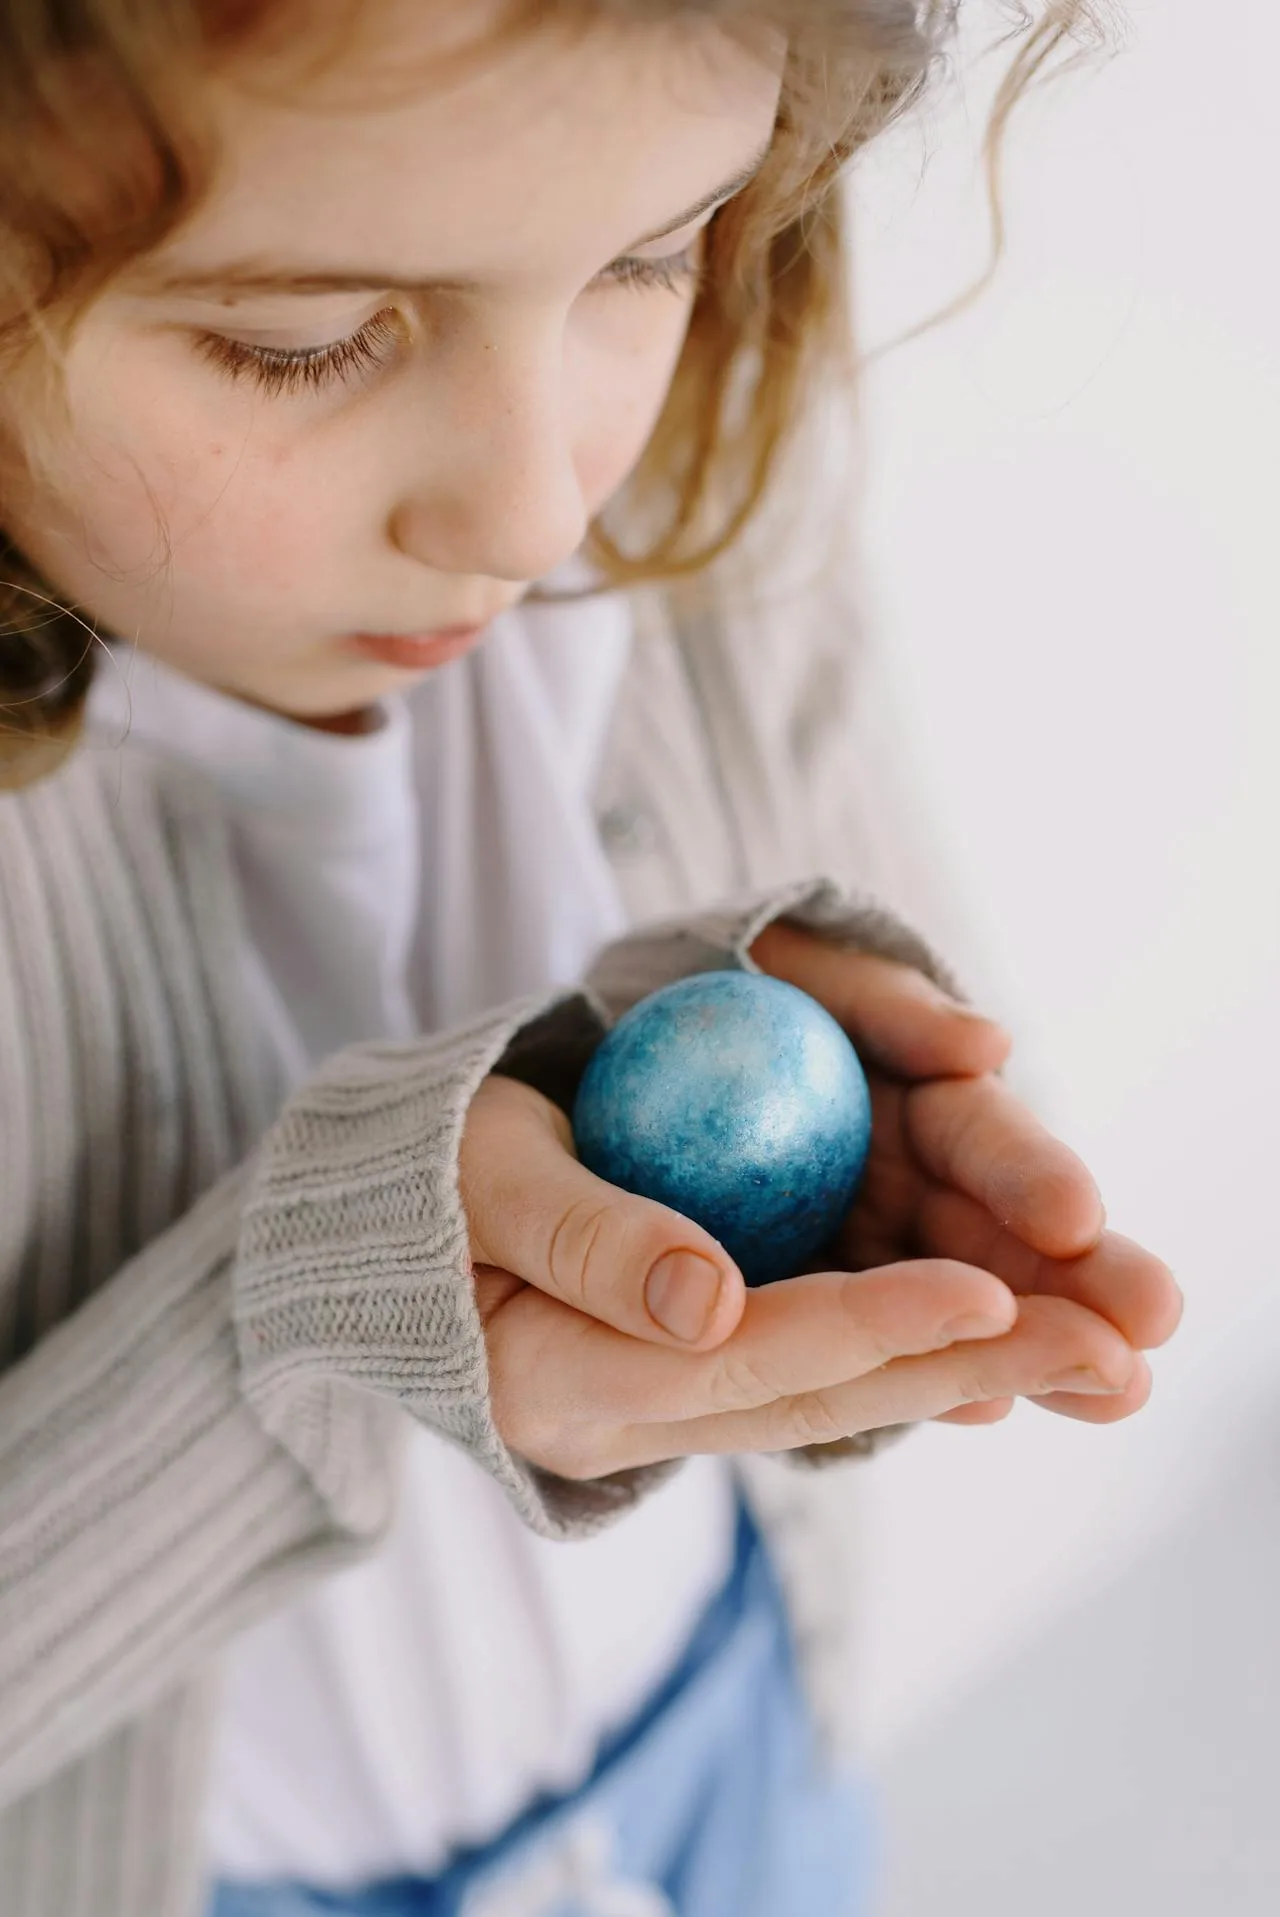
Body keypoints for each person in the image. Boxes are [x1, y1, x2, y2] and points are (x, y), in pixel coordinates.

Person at [0, 2, 1182, 1914]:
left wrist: (825, 1065)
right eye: (299, 341)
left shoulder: (706, 491)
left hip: (723, 1735)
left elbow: (897, 1055)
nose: (537, 510)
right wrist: (310, 1295)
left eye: (653, 254)